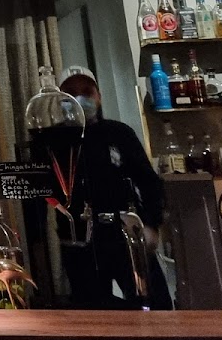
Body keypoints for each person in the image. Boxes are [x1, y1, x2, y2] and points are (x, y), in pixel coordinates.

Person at [58, 66, 172, 309]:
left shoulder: (119, 133)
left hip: (126, 235)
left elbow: (148, 181)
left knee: (156, 307)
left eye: (86, 92)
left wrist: (152, 225)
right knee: (92, 314)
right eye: (71, 93)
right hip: (80, 243)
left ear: (98, 96)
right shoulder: (54, 142)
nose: (79, 98)